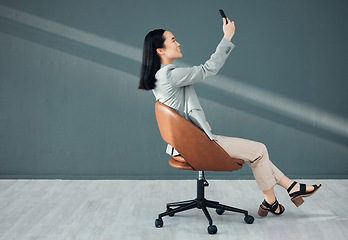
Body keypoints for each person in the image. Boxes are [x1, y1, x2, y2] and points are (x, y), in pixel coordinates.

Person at [138, 17, 321, 216]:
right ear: (160, 50)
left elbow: (182, 110)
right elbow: (208, 69)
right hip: (196, 146)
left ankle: (288, 189)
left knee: (255, 154)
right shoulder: (170, 74)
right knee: (259, 150)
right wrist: (227, 37)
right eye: (173, 40)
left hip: (185, 144)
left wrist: (197, 124)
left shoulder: (158, 76)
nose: (178, 42)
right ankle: (273, 199)